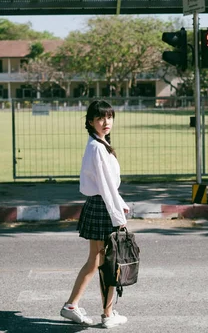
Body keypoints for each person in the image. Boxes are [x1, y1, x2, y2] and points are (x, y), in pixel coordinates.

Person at [60, 100, 130, 328]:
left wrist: (120, 203)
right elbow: (106, 185)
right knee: (108, 263)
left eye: (109, 117)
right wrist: (119, 215)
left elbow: (107, 185)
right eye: (100, 118)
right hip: (102, 208)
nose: (106, 122)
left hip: (100, 205)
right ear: (91, 122)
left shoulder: (99, 143)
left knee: (99, 261)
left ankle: (77, 307)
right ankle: (106, 314)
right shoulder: (98, 147)